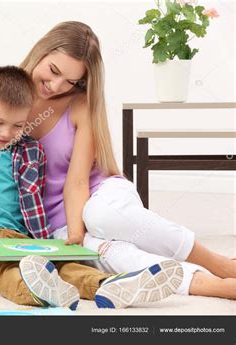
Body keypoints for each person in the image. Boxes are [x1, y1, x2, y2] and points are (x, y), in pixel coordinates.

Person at [0, 65, 183, 310]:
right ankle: (40, 292)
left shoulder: (31, 152)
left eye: (18, 126)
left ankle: (109, 286)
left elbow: (35, 201)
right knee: (3, 271)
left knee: (64, 265)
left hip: (17, 240)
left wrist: (48, 245)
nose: (6, 133)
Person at [20, 21, 235, 300]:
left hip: (97, 195)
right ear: (41, 52)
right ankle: (213, 286)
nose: (57, 86)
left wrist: (78, 230)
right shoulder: (8, 94)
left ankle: (218, 263)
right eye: (53, 71)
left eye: (71, 81)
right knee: (114, 257)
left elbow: (76, 182)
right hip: (55, 224)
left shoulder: (79, 104)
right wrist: (77, 239)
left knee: (100, 216)